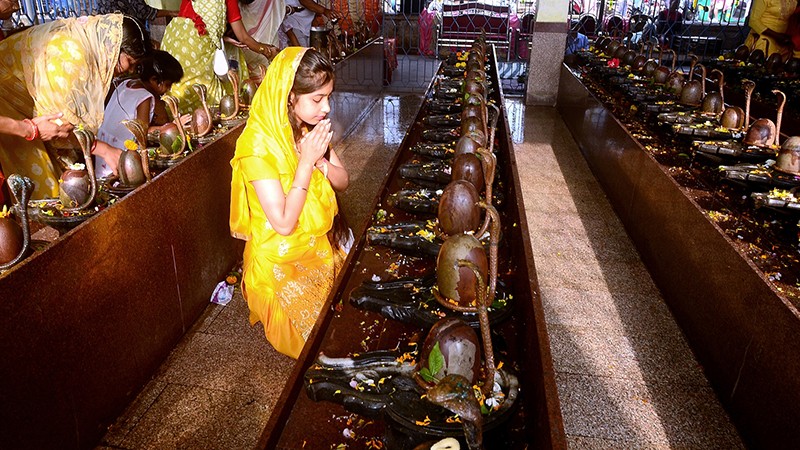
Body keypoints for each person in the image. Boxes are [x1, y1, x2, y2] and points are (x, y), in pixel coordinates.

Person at [229, 47, 349, 359]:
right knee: (322, 346)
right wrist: (306, 163)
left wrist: (321, 162)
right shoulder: (257, 146)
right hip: (279, 261)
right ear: (290, 96)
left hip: (316, 245)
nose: (326, 107)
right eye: (318, 99)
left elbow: (343, 181)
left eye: (328, 97)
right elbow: (283, 224)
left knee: (350, 316)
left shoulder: (306, 125)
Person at [0, 14, 151, 200]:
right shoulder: (72, 57)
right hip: (7, 112)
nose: (130, 71)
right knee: (43, 193)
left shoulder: (86, 45)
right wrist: (105, 150)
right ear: (112, 48)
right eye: (130, 62)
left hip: (23, 113)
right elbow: (59, 127)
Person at [159, 0, 280, 111]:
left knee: (179, 91)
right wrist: (267, 51)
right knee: (210, 97)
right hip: (195, 48)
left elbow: (196, 20)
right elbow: (244, 38)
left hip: (172, 40)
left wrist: (223, 38)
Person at [97, 50, 185, 178]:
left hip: (103, 148)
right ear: (154, 79)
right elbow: (142, 132)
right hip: (119, 154)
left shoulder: (125, 84)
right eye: (167, 85)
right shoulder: (145, 97)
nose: (168, 90)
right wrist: (171, 127)